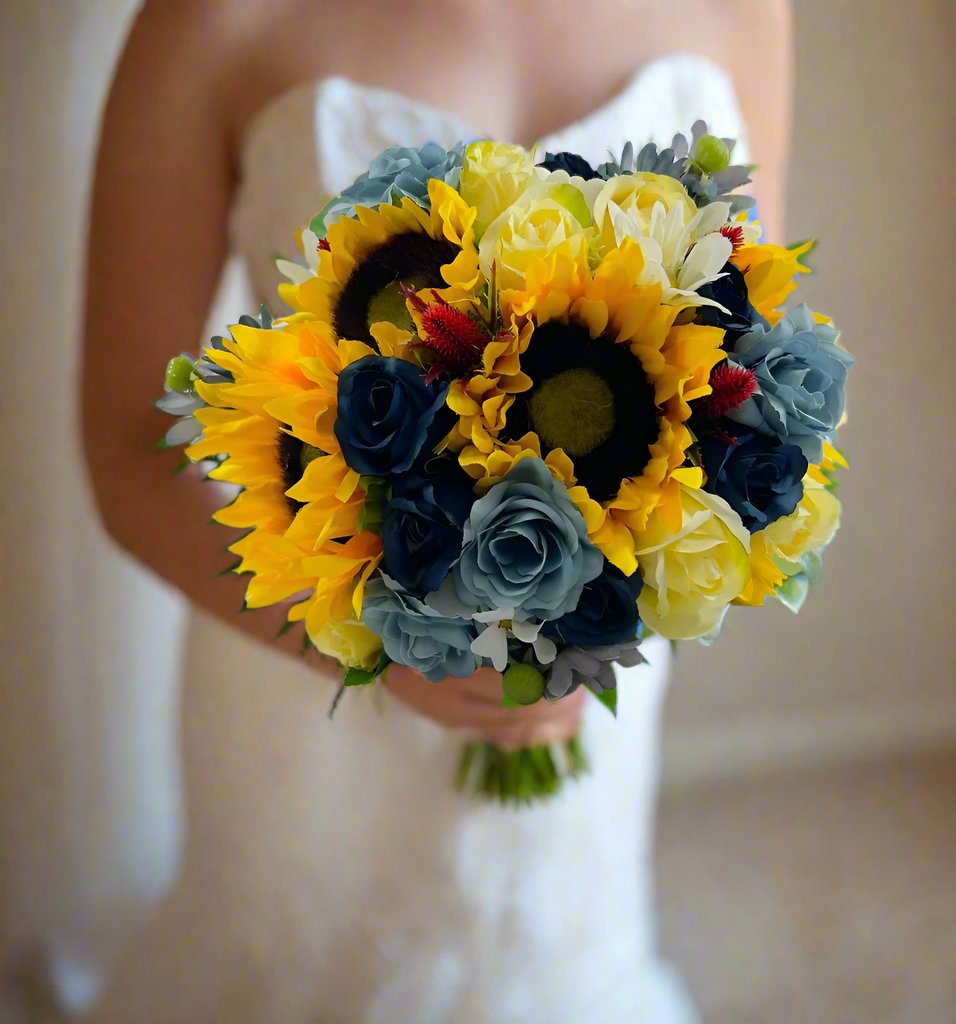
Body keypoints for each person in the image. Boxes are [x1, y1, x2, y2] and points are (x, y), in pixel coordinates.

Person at [81, 2, 792, 1020]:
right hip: (300, 691)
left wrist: (623, 587)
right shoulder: (210, 20)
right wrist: (360, 641)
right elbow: (125, 452)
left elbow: (747, 376)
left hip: (581, 690)